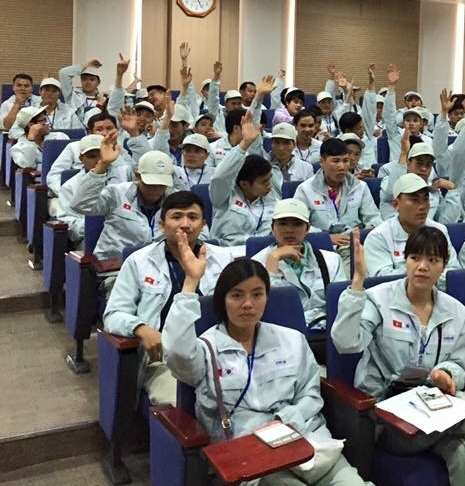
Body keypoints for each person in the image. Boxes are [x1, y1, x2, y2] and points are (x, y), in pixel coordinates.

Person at [163, 254, 369, 486]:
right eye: (237, 295)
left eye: (257, 294)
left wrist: (285, 420)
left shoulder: (292, 341)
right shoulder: (206, 348)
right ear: (223, 300)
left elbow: (310, 395)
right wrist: (191, 283)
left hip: (309, 446)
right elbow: (176, 353)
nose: (248, 304)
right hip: (254, 459)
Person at [332, 228, 465, 486]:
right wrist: (358, 281)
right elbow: (346, 344)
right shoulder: (378, 299)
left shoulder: (456, 311)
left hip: (434, 409)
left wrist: (445, 374)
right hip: (390, 418)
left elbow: (458, 365)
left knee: (461, 452)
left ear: (443, 266)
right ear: (405, 260)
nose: (422, 267)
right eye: (415, 258)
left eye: (432, 260)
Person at [102, 191, 234, 405]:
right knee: (184, 405)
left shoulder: (223, 259)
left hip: (218, 353)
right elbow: (113, 314)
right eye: (176, 217)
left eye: (193, 217)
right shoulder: (139, 261)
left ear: (203, 225)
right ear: (162, 225)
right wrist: (141, 328)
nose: (185, 224)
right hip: (165, 360)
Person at [73, 135, 180, 260]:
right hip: (114, 266)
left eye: (161, 184)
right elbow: (81, 205)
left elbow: (200, 233)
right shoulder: (116, 193)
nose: (156, 189)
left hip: (158, 267)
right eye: (150, 183)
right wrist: (102, 165)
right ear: (137, 176)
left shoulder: (176, 200)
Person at [252, 199, 345, 332]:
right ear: (273, 228)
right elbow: (267, 310)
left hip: (326, 332)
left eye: (297, 224)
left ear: (307, 228)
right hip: (281, 333)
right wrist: (273, 261)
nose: (289, 230)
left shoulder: (331, 260)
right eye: (282, 224)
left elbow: (340, 304)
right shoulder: (256, 264)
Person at [363, 173, 459, 287]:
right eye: (415, 200)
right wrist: (431, 273)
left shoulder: (439, 230)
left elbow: (453, 273)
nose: (423, 206)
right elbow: (383, 281)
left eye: (426, 199)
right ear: (396, 204)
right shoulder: (378, 237)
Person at [294, 138, 382, 246]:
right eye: (335, 161)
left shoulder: (360, 187)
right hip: (323, 246)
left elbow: (374, 218)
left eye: (345, 161)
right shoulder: (305, 189)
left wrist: (363, 233)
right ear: (322, 162)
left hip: (354, 243)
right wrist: (325, 238)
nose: (342, 167)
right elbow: (298, 224)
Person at [209, 112, 276, 246]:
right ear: (244, 184)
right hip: (228, 254)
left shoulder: (271, 199)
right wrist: (244, 144)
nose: (269, 186)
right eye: (264, 182)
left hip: (261, 254)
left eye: (269, 180)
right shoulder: (223, 197)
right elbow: (220, 177)